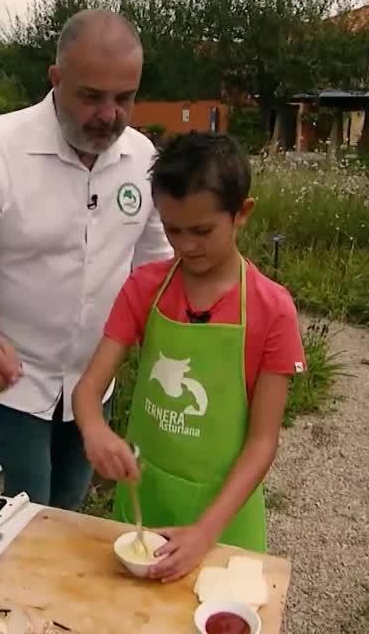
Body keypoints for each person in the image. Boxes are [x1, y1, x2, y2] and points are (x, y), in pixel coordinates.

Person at [0, 10, 174, 510]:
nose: (109, 115)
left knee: (66, 515)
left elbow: (158, 266)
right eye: (91, 96)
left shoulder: (142, 158)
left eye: (124, 98)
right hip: (12, 386)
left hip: (94, 387)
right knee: (17, 528)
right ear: (56, 78)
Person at [72, 132, 307, 582]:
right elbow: (88, 389)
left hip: (224, 518)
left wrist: (205, 532)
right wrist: (95, 429)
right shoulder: (145, 287)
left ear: (242, 214)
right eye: (172, 229)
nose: (187, 245)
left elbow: (263, 442)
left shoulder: (271, 308)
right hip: (146, 501)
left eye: (202, 231)